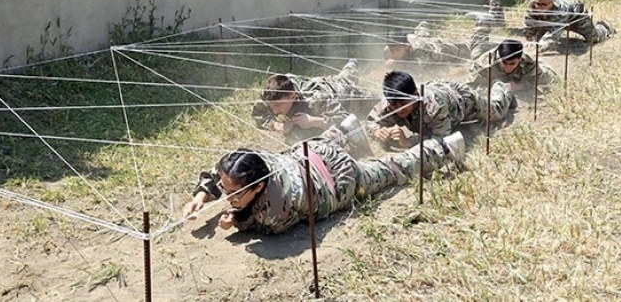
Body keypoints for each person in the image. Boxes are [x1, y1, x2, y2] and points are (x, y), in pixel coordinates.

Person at [181, 127, 466, 235]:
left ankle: (443, 148)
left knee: (390, 169)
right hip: (315, 151)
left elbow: (264, 223)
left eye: (235, 192)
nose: (229, 195)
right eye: (227, 190)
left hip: (339, 180)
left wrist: (238, 219)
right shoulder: (251, 161)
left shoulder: (275, 208)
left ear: (257, 187)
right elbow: (223, 176)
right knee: (310, 146)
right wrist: (202, 196)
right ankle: (346, 129)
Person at [364, 71, 514, 151]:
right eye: (393, 105)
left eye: (402, 103)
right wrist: (377, 131)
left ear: (415, 95)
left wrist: (409, 141)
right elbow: (371, 121)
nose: (398, 109)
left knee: (496, 112)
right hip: (436, 88)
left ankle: (502, 87)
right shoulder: (391, 101)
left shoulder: (435, 108)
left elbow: (441, 140)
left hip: (462, 99)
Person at [251, 59, 371, 142]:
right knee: (342, 76)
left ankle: (352, 63)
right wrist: (277, 125)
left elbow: (345, 118)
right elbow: (258, 114)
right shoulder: (273, 94)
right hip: (322, 82)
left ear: (293, 97)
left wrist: (314, 121)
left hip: (341, 93)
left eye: (278, 105)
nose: (273, 110)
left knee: (353, 84)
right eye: (271, 105)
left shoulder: (314, 99)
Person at [523, 0, 615, 46]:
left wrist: (537, 50)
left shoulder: (562, 9)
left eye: (544, 5)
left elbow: (553, 35)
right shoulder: (533, 2)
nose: (540, 7)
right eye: (538, 4)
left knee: (593, 39)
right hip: (550, 19)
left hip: (576, 17)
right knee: (536, 41)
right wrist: (529, 38)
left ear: (552, 1)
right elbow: (529, 21)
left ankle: (604, 27)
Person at [383, 20, 491, 68]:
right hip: (422, 41)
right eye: (392, 50)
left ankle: (482, 25)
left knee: (474, 49)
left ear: (406, 47)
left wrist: (397, 65)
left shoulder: (420, 51)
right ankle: (423, 27)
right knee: (422, 34)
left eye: (397, 51)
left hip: (446, 50)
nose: (393, 54)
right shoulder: (391, 48)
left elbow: (417, 69)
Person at [469, 38, 557, 93]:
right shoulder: (483, 65)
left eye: (512, 64)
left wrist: (520, 86)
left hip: (532, 66)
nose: (507, 67)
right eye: (504, 62)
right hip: (481, 53)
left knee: (551, 77)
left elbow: (541, 81)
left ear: (519, 60)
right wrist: (496, 88)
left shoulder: (527, 61)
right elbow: (471, 86)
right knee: (475, 49)